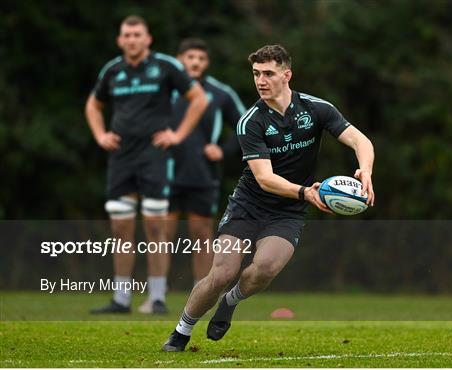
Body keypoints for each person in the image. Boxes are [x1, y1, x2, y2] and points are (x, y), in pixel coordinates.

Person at [162, 44, 375, 351]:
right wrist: (305, 192)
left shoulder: (316, 109)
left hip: (287, 213)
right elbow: (265, 178)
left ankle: (230, 303)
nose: (260, 80)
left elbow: (359, 140)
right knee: (222, 272)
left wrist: (365, 171)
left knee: (265, 269)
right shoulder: (251, 121)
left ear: (287, 75)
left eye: (268, 74)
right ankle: (182, 330)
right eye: (256, 74)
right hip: (248, 205)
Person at [85, 15, 208, 314]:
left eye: (137, 34)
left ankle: (156, 298)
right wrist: (101, 135)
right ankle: (121, 299)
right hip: (121, 159)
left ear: (148, 38)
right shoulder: (113, 70)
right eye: (126, 35)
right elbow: (93, 105)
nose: (131, 40)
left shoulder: (165, 66)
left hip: (154, 158)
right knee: (121, 229)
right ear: (119, 40)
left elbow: (198, 99)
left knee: (155, 229)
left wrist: (177, 135)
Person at [159, 38, 245, 295]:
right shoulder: (164, 90)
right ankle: (156, 296)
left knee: (201, 235)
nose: (195, 62)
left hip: (203, 174)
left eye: (201, 58)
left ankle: (202, 293)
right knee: (161, 236)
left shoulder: (220, 93)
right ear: (180, 60)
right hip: (164, 173)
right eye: (190, 57)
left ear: (206, 63)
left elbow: (246, 126)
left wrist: (224, 150)